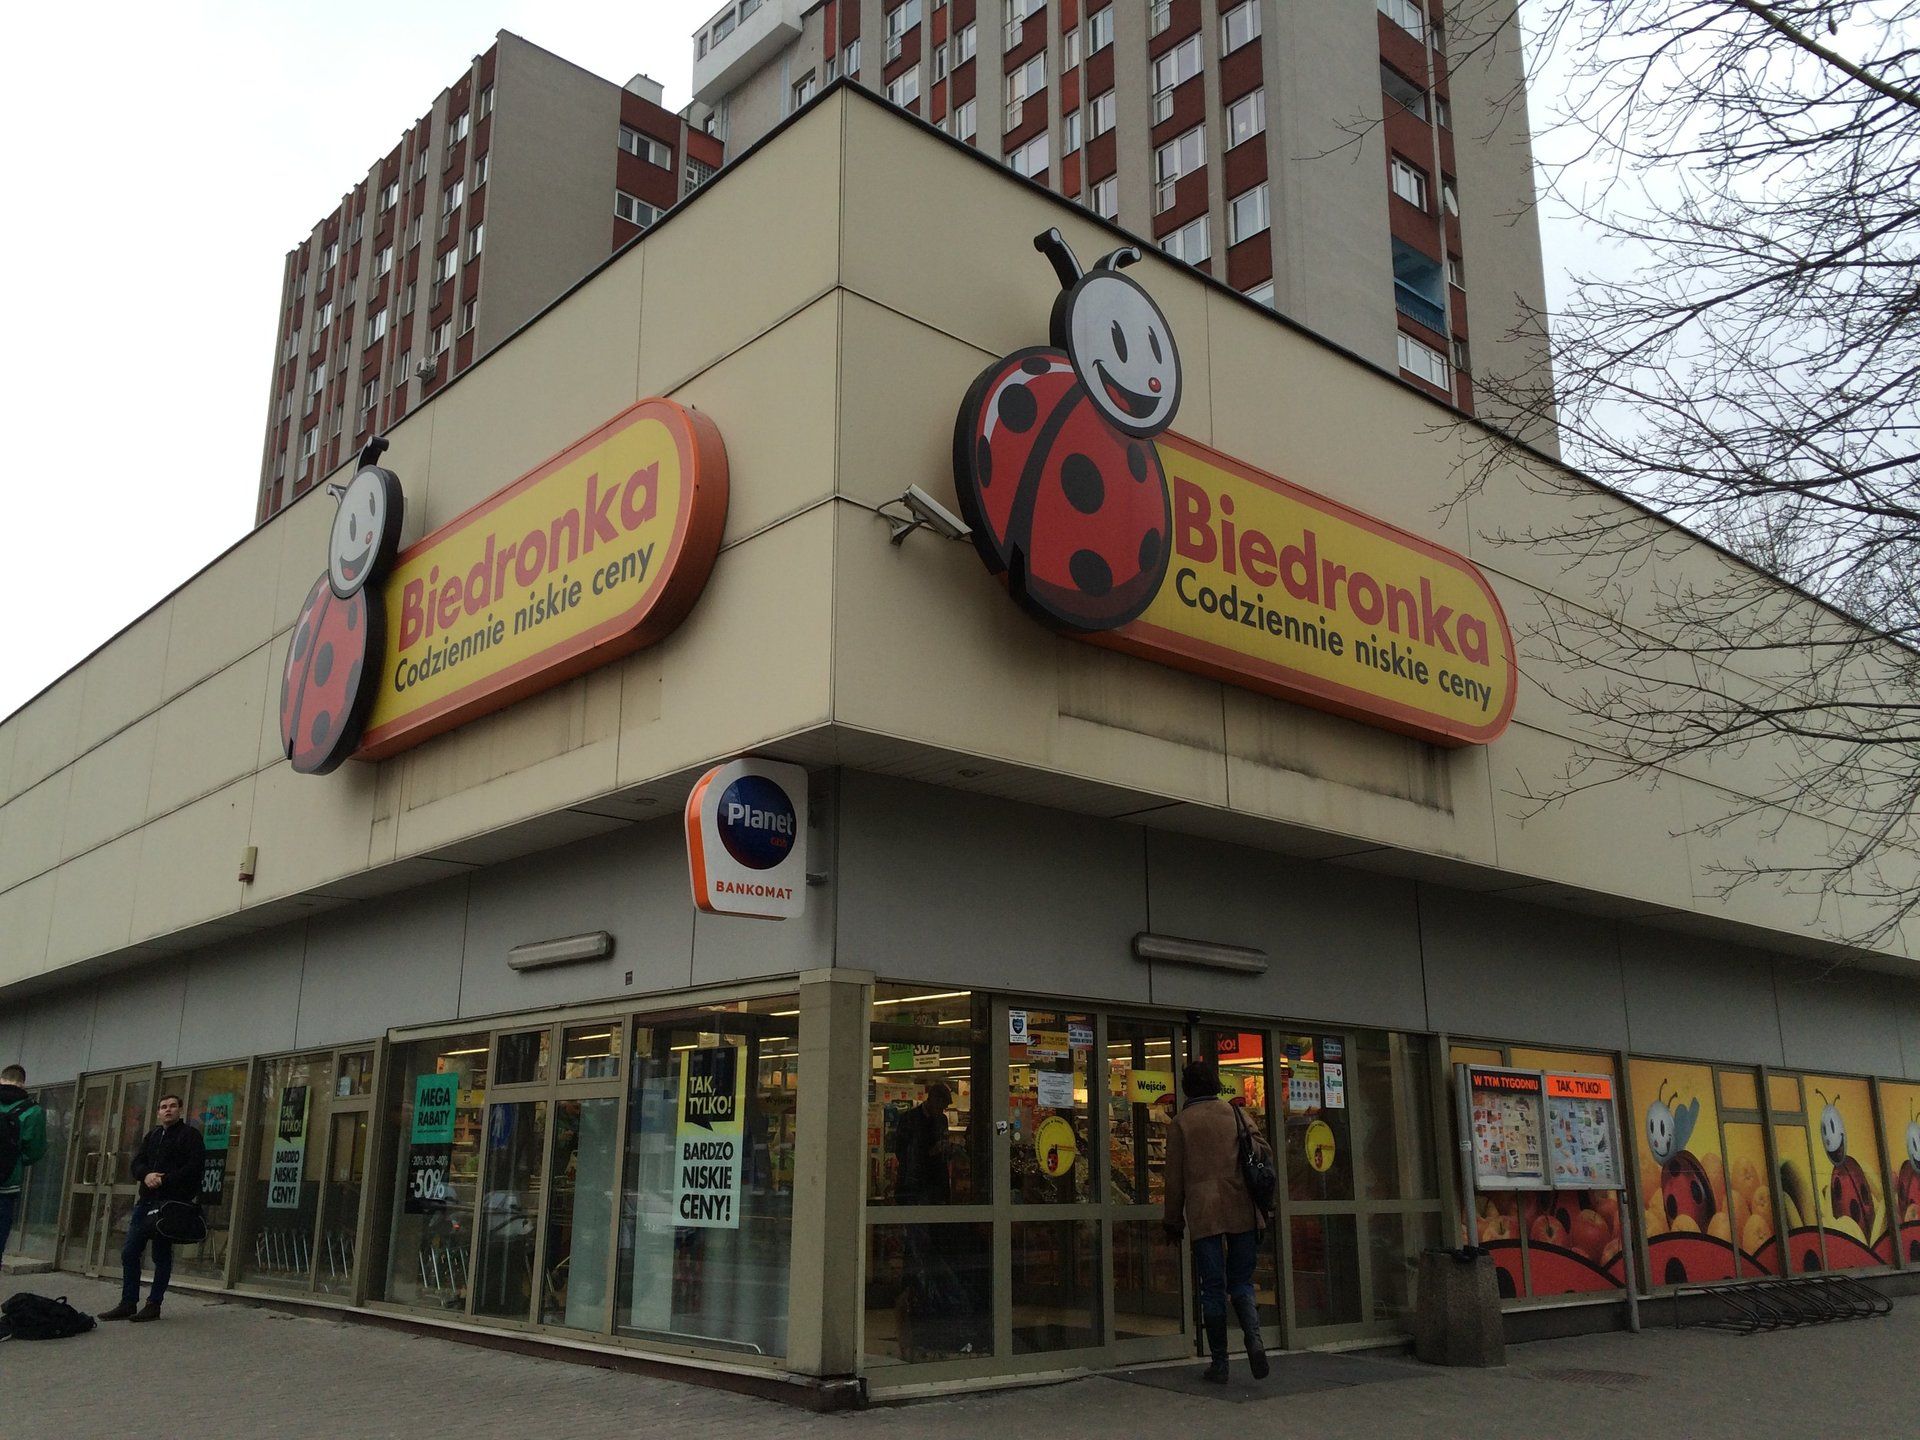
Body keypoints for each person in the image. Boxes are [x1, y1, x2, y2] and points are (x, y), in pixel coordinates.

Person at [1163, 1060, 1272, 1383]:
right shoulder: (1235, 1114)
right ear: (1215, 1084)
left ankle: (1220, 1362)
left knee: (1212, 1287)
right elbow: (1263, 1152)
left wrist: (1173, 1221)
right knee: (1240, 1281)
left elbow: (1173, 1180)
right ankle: (1254, 1338)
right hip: (1241, 1208)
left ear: (1186, 1087)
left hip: (1204, 1213)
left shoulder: (1181, 1124)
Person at [98, 1094, 205, 1323]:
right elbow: (137, 1162)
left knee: (161, 1255)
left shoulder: (190, 1136)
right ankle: (128, 1302)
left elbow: (194, 1168)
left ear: (180, 1110)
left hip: (171, 1205)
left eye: (173, 1106)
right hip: (146, 1202)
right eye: (163, 1107)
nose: (168, 1110)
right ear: (158, 1112)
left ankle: (153, 1304)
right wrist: (146, 1175)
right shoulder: (153, 1135)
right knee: (129, 1251)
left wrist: (164, 1179)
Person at [0, 1064, 49, 1268]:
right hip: (7, 1184)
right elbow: (35, 1150)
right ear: (23, 1083)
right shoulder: (33, 1111)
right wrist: (16, 1159)